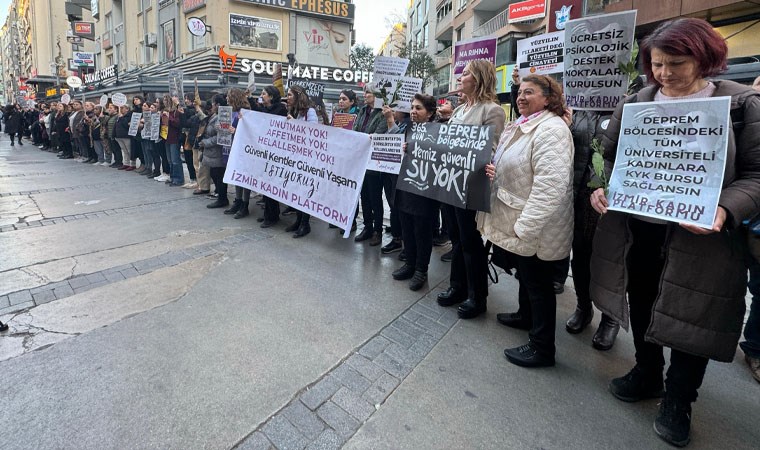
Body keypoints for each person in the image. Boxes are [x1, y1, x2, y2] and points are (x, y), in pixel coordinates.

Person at [589, 18, 760, 447]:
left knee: (692, 314)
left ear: (704, 58)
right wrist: (605, 190)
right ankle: (647, 372)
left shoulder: (743, 105)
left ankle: (679, 398)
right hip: (641, 231)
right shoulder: (634, 103)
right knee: (643, 301)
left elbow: (757, 176)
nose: (664, 74)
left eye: (676, 64)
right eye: (657, 64)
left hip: (704, 239)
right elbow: (611, 160)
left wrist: (725, 208)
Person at [481, 74, 574, 367]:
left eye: (529, 92)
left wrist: (525, 227)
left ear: (548, 98)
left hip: (536, 224)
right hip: (519, 216)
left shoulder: (551, 130)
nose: (521, 97)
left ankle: (542, 347)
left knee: (539, 284)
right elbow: (516, 165)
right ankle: (525, 317)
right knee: (527, 276)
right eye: (520, 92)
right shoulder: (521, 125)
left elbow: (551, 186)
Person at [436, 60, 506, 319]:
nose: (460, 77)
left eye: (465, 74)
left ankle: (477, 297)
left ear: (478, 79)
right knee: (455, 238)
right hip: (450, 183)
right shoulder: (459, 110)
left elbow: (492, 148)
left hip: (470, 186)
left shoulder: (492, 110)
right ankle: (457, 286)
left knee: (470, 241)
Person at [391, 94, 440, 291]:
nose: (413, 111)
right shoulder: (408, 128)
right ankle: (410, 263)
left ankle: (421, 269)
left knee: (422, 231)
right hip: (406, 185)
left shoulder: (439, 131)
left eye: (418, 108)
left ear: (429, 113)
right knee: (407, 228)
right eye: (412, 107)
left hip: (425, 190)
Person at [353, 87, 389, 245]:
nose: (365, 95)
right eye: (365, 92)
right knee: (364, 196)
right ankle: (367, 227)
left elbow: (379, 133)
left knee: (375, 197)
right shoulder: (362, 110)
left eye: (369, 92)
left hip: (375, 161)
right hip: (361, 160)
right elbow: (355, 129)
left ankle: (377, 231)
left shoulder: (383, 113)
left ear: (377, 96)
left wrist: (363, 138)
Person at [284, 85, 318, 238]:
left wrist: (294, 124)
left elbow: (313, 132)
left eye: (290, 95)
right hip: (296, 157)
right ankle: (298, 220)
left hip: (307, 159)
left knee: (304, 192)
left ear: (298, 96)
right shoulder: (295, 112)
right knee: (296, 190)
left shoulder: (310, 112)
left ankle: (305, 223)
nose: (288, 97)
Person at [252, 85, 289, 227]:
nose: (262, 96)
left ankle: (272, 216)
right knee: (265, 185)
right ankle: (267, 213)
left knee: (272, 185)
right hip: (265, 152)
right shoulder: (265, 109)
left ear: (272, 96)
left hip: (276, 154)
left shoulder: (280, 109)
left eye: (264, 94)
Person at [223, 88, 253, 219]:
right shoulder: (234, 111)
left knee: (244, 177)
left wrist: (235, 129)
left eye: (229, 96)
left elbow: (249, 131)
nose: (226, 99)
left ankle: (245, 205)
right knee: (237, 176)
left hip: (244, 150)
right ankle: (238, 200)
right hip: (235, 147)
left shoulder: (245, 112)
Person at [200, 94, 230, 209]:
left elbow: (220, 136)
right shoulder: (215, 115)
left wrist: (206, 142)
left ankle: (222, 198)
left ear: (217, 104)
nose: (211, 105)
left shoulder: (221, 117)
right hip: (211, 152)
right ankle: (220, 197)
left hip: (217, 152)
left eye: (213, 103)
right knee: (214, 173)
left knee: (219, 175)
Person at [113, 105, 134, 170]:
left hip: (126, 135)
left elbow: (126, 125)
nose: (121, 109)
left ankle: (132, 164)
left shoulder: (129, 116)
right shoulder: (119, 116)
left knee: (129, 150)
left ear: (127, 109)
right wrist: (114, 134)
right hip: (119, 136)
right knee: (124, 151)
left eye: (122, 108)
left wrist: (121, 118)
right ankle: (126, 163)